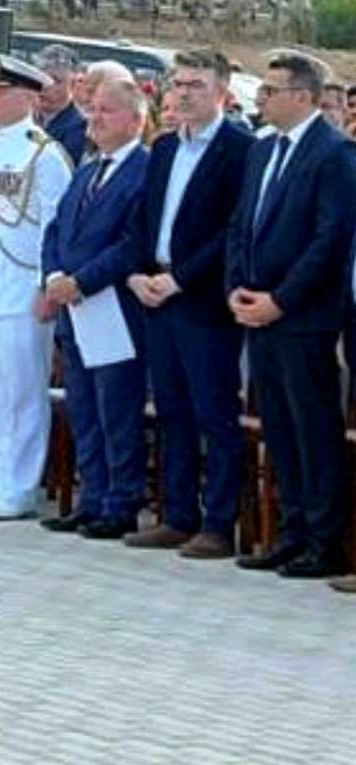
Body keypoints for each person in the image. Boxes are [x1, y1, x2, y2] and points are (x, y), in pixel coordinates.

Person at [225, 51, 356, 579]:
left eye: (270, 90)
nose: (260, 98)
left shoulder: (334, 153)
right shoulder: (263, 149)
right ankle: (292, 530)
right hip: (257, 309)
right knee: (279, 427)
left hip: (303, 316)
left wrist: (281, 300)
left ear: (302, 97)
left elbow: (329, 239)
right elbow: (242, 224)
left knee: (312, 429)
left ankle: (323, 541)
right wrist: (238, 288)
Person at [122, 50, 253, 557]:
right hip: (157, 293)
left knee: (214, 413)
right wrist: (138, 272)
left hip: (203, 301)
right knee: (171, 410)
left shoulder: (239, 149)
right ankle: (177, 515)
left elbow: (231, 230)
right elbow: (145, 218)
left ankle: (218, 523)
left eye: (196, 85)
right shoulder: (164, 148)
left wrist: (181, 279)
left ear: (222, 92)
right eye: (178, 84)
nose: (183, 93)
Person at [0, 54, 73, 519]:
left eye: (1, 91)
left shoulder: (43, 152)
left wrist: (46, 285)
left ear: (29, 96)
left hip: (22, 286)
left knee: (22, 390)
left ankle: (20, 485)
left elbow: (54, 225)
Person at [35, 78, 150, 533]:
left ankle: (121, 503)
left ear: (136, 120)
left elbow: (132, 242)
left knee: (116, 410)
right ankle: (93, 497)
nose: (95, 119)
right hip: (73, 309)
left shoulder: (143, 170)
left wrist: (82, 281)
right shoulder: (87, 170)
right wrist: (53, 277)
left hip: (113, 308)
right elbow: (55, 229)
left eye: (107, 111)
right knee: (84, 407)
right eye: (93, 109)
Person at [35, 45, 88, 161]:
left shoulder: (79, 128)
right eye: (41, 78)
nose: (45, 85)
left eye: (56, 81)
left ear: (73, 85)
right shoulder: (22, 116)